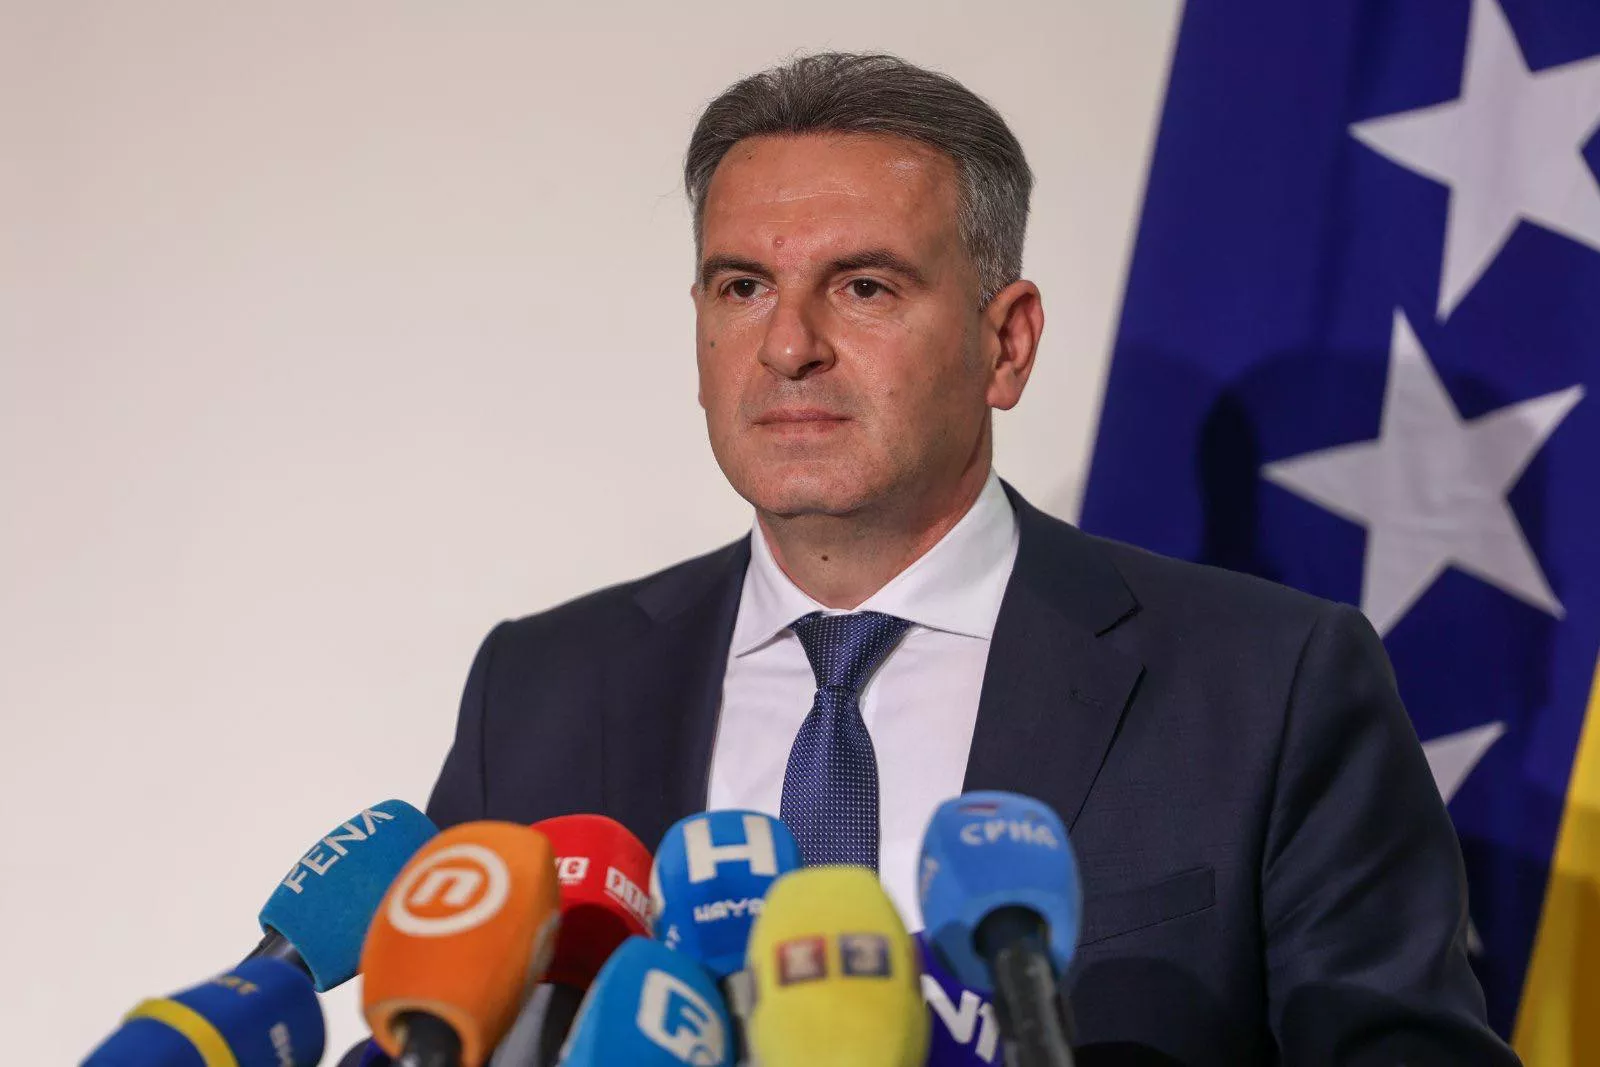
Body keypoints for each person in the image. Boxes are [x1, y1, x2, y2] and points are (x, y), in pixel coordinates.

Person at [425, 53, 1516, 1064]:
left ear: (1007, 342)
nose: (788, 344)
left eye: (864, 286)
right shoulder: (538, 689)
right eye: (742, 286)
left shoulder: (1269, 685)